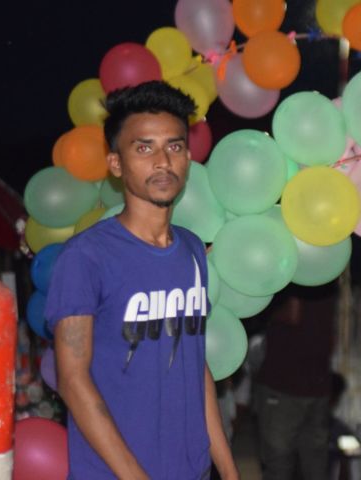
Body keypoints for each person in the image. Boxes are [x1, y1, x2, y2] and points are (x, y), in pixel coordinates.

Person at [45, 81, 239, 480]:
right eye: (144, 148)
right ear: (116, 164)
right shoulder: (86, 257)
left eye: (175, 146)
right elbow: (73, 381)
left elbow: (194, 365)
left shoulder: (192, 250)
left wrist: (228, 468)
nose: (163, 161)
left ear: (188, 158)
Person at [254, 281, 337, 480]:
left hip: (285, 381)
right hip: (317, 382)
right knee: (315, 466)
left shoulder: (292, 273)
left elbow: (293, 312)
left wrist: (263, 313)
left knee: (278, 466)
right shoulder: (327, 274)